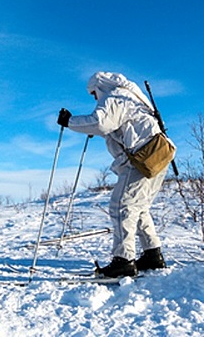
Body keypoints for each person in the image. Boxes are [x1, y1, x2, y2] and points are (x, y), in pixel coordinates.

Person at [57, 71, 172, 277]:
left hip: (140, 159)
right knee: (139, 208)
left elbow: (100, 122)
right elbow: (113, 125)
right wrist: (92, 127)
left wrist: (70, 121)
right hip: (158, 156)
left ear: (99, 86)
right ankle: (152, 255)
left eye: (93, 93)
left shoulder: (115, 96)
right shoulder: (133, 96)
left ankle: (124, 261)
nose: (94, 98)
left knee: (121, 206)